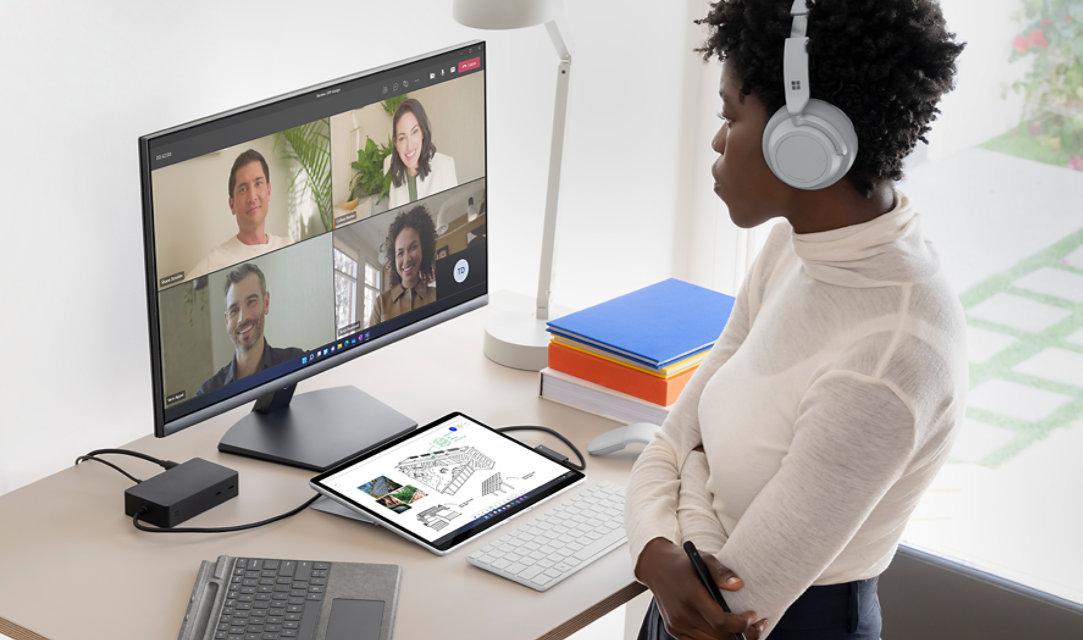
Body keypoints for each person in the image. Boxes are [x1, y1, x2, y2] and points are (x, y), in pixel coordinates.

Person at [625, 1, 967, 639]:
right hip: (679, 597)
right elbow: (671, 444)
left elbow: (727, 609)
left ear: (806, 143)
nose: (716, 140)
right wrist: (656, 553)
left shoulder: (891, 356)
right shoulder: (797, 249)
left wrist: (669, 532)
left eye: (730, 114)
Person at [198, 263, 303, 395]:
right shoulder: (207, 393)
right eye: (234, 310)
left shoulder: (295, 362)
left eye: (251, 302)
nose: (242, 318)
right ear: (226, 320)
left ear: (266, 303)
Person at [189, 149, 291, 279]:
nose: (252, 197)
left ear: (268, 191)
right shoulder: (215, 262)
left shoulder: (288, 245)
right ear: (232, 205)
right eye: (243, 189)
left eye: (258, 184)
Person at [369, 206, 437, 326]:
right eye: (400, 253)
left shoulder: (437, 296)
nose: (406, 259)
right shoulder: (381, 304)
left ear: (424, 249)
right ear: (394, 258)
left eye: (413, 247)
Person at [383, 99, 458, 208]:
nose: (409, 146)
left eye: (414, 132)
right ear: (396, 143)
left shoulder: (445, 166)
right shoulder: (396, 177)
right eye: (402, 138)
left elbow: (453, 214)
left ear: (423, 132)